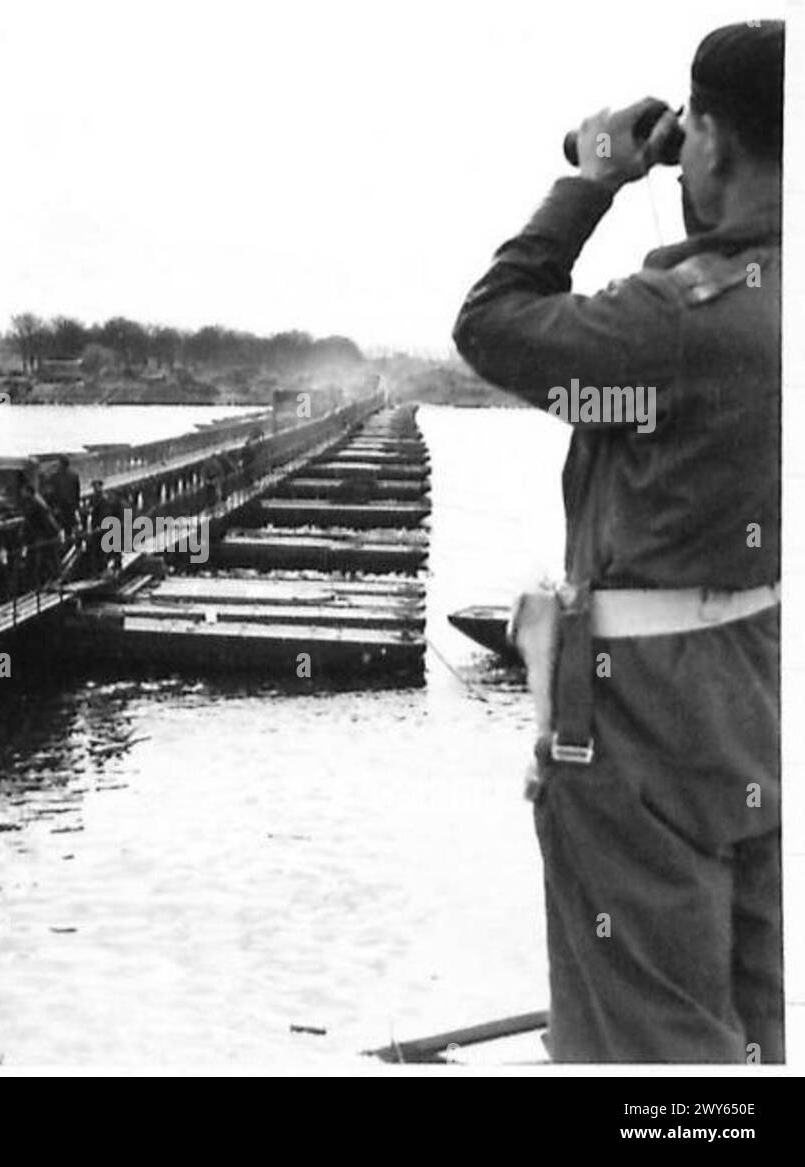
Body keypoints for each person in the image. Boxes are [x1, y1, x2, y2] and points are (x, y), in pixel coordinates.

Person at [452, 21, 782, 1063]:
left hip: (641, 720)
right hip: (758, 695)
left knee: (642, 1042)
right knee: (748, 1015)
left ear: (715, 144)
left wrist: (594, 179)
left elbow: (494, 325)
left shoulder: (678, 326)